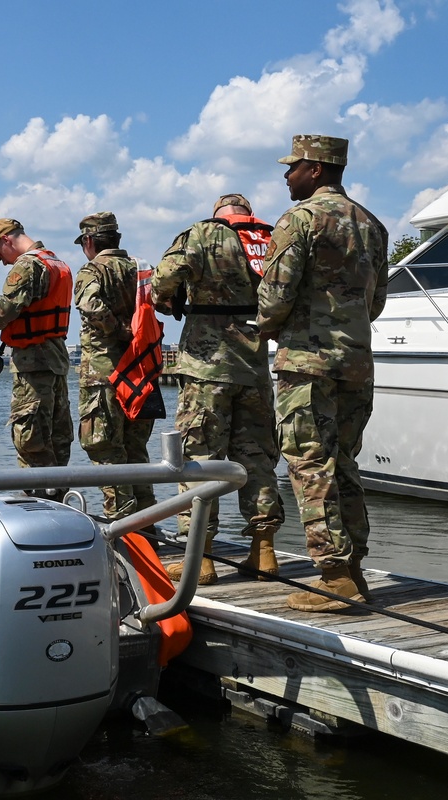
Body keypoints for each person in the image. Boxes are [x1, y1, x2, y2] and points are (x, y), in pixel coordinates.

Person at [257, 135, 388, 611]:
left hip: (307, 364)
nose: (286, 175)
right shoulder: (372, 225)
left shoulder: (300, 220)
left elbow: (274, 296)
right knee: (344, 464)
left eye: (292, 167)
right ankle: (354, 570)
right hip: (356, 363)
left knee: (310, 463)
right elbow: (376, 303)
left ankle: (334, 578)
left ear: (315, 169)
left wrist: (270, 329)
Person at [151, 193, 285, 585]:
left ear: (218, 215)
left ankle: (202, 561)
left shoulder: (203, 235)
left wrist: (172, 296)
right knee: (258, 459)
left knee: (199, 459)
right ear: (247, 215)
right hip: (255, 365)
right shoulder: (270, 238)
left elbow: (163, 278)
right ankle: (264, 554)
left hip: (206, 366)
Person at [73, 212, 157, 522]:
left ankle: (125, 534)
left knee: (108, 454)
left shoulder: (91, 270)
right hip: (140, 371)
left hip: (105, 374)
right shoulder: (140, 269)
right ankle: (149, 528)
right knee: (137, 453)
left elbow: (90, 304)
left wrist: (115, 329)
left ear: (89, 241)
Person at [0, 219, 74, 492]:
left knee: (30, 436)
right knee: (57, 435)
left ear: (6, 241)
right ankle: (57, 494)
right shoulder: (57, 263)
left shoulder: (28, 265)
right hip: (56, 359)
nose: (3, 262)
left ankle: (39, 500)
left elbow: (2, 314)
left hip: (33, 361)